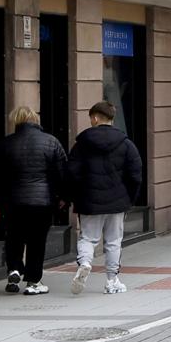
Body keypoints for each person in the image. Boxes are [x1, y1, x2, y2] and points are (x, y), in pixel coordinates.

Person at [67, 101, 143, 295]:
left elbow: (72, 173)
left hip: (89, 201)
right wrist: (129, 199)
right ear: (111, 118)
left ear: (94, 117)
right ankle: (112, 280)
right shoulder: (126, 144)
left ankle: (84, 263)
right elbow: (135, 174)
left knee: (88, 238)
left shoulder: (81, 144)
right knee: (113, 241)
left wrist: (74, 197)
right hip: (118, 201)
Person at [0, 107, 68, 295]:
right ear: (35, 120)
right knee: (37, 241)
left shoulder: (6, 143)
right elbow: (62, 173)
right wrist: (63, 197)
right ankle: (33, 282)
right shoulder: (51, 142)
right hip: (42, 202)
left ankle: (13, 269)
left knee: (14, 237)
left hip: (13, 202)